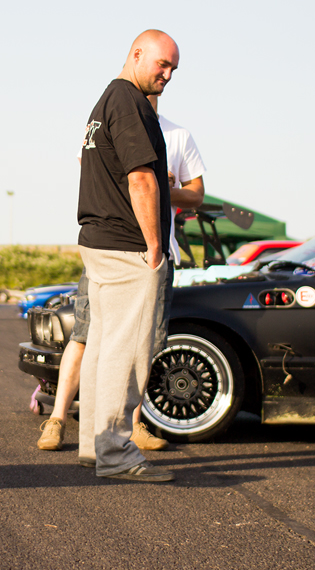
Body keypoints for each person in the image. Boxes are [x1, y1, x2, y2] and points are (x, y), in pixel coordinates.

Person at [37, 92, 206, 452]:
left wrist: (164, 189)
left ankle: (129, 427)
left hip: (154, 252)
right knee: (84, 334)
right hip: (112, 247)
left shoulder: (177, 136)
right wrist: (143, 182)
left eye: (170, 71)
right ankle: (58, 419)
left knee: (142, 343)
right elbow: (99, 174)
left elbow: (196, 195)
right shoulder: (112, 121)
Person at [73, 29, 178, 482]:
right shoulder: (130, 101)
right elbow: (141, 179)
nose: (168, 75)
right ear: (137, 54)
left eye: (173, 68)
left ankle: (93, 446)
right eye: (162, 64)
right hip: (127, 246)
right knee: (128, 351)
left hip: (98, 239)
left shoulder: (104, 103)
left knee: (100, 345)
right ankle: (115, 453)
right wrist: (154, 246)